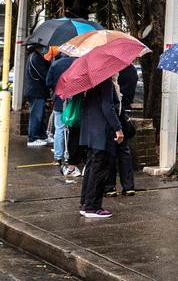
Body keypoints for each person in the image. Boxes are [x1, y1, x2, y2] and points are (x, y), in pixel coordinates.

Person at [79, 76, 124, 219]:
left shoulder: (91, 82)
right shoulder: (105, 82)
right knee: (99, 169)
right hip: (102, 132)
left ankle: (85, 203)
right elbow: (107, 106)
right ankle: (93, 206)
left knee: (91, 167)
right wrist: (118, 128)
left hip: (91, 130)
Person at [46, 49, 81, 177]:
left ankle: (58, 157)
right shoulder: (78, 63)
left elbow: (48, 83)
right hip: (75, 103)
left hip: (60, 101)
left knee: (59, 129)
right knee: (74, 131)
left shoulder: (56, 64)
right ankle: (72, 158)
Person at [105, 65, 138, 197]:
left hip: (112, 115)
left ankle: (109, 187)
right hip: (124, 112)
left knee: (110, 151)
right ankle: (128, 186)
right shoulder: (131, 70)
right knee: (124, 151)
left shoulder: (109, 70)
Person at [24, 46, 51, 147]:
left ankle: (41, 135)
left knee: (41, 114)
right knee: (37, 114)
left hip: (37, 91)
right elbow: (44, 74)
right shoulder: (36, 58)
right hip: (36, 91)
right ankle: (33, 138)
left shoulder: (35, 57)